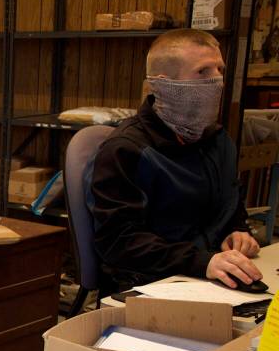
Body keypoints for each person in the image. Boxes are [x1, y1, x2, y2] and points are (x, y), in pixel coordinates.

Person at [86, 28, 263, 294]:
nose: (218, 82)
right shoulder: (126, 151)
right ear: (165, 84)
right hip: (151, 284)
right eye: (203, 72)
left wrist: (238, 231)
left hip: (209, 273)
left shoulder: (217, 140)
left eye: (219, 70)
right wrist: (203, 261)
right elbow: (119, 242)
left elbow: (230, 201)